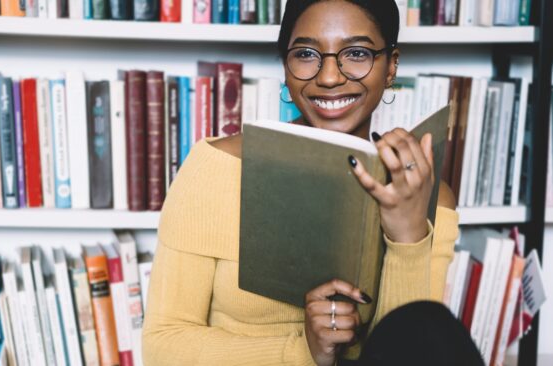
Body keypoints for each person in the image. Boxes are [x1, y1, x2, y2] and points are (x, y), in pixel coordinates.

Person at [142, 0, 468, 365]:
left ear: (391, 66)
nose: (328, 76)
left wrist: (407, 236)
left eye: (357, 53)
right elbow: (162, 345)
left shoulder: (426, 193)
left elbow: (410, 353)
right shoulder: (217, 167)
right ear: (286, 66)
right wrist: (303, 352)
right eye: (306, 54)